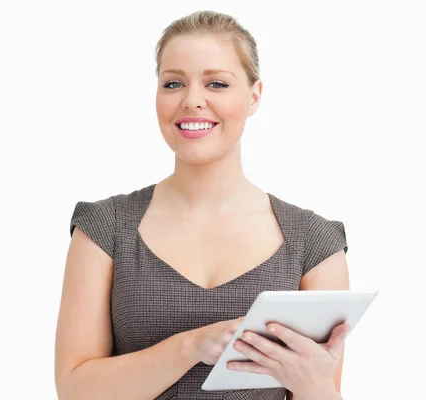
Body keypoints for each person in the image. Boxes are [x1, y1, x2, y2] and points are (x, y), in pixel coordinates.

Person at [55, 10, 350, 400]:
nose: (192, 101)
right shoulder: (105, 228)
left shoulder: (314, 243)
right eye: (173, 83)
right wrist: (191, 347)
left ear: (254, 96)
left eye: (216, 83)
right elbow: (74, 390)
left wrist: (314, 386)